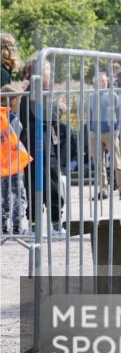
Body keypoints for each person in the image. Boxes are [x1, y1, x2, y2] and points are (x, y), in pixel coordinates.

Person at [18, 55, 64, 233]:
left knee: (33, 185)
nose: (51, 75)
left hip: (32, 145)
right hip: (40, 145)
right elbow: (48, 116)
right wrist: (59, 110)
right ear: (40, 72)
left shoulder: (31, 90)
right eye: (48, 71)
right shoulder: (37, 91)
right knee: (51, 184)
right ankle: (55, 224)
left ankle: (35, 225)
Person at [85, 72, 121, 199]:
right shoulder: (91, 97)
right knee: (99, 164)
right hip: (95, 133)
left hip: (111, 132)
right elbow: (89, 114)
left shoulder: (114, 95)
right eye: (101, 81)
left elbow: (120, 113)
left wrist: (118, 129)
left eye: (105, 80)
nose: (104, 82)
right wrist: (90, 130)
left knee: (117, 162)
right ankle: (103, 190)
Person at [1, 86, 31, 234]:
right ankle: (17, 225)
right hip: (14, 162)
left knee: (4, 194)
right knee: (19, 193)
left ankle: (3, 224)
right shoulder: (13, 119)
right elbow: (18, 136)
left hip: (2, 163)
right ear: (12, 100)